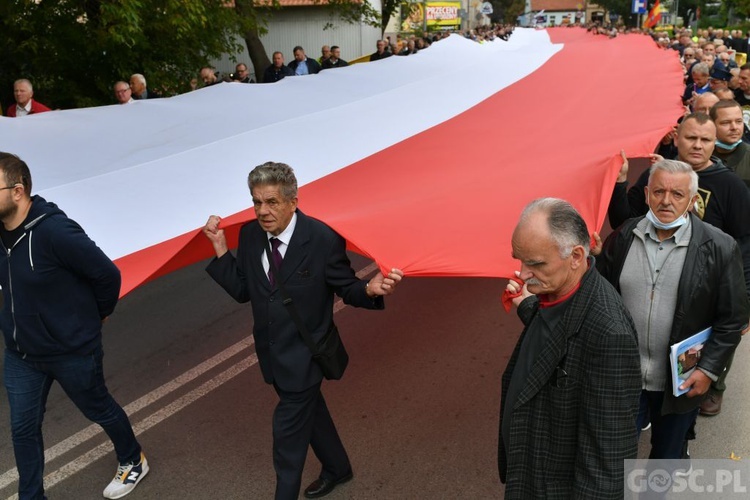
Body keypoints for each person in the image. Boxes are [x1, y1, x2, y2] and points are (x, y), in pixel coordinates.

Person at [202, 162, 403, 500]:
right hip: (272, 354)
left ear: (293, 202)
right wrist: (221, 248)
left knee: (287, 442)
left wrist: (369, 291)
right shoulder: (251, 235)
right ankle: (338, 468)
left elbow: (346, 286)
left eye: (272, 202)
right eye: (256, 202)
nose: (263, 211)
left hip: (307, 355)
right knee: (313, 413)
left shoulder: (322, 238)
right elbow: (243, 291)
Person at [0, 153, 148, 500]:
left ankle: (132, 457)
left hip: (71, 350)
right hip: (21, 354)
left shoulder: (54, 231)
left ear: (17, 191)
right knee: (22, 428)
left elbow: (106, 274)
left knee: (97, 407)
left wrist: (96, 316)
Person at [597, 159, 748, 458]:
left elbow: (732, 320)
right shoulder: (623, 237)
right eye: (659, 192)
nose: (666, 201)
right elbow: (599, 299)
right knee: (614, 454)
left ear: (692, 201)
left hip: (680, 382)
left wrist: (708, 369)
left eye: (677, 194)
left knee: (665, 458)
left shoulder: (719, 247)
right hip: (623, 376)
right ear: (648, 194)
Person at [499, 198, 640, 499]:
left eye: (536, 264)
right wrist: (529, 306)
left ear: (576, 255)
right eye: (519, 260)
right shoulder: (559, 290)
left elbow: (608, 464)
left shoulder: (609, 334)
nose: (522, 274)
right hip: (530, 474)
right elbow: (558, 333)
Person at [710, 99, 750, 187]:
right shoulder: (701, 156)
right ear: (712, 125)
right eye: (726, 123)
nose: (734, 127)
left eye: (739, 121)